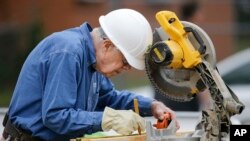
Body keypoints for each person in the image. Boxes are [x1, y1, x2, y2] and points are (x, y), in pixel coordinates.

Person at [1, 9, 179, 141]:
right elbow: (55, 116)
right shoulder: (68, 52)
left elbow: (110, 97)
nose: (126, 69)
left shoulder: (92, 60)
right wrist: (108, 119)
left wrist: (153, 106)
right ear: (108, 45)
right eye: (125, 61)